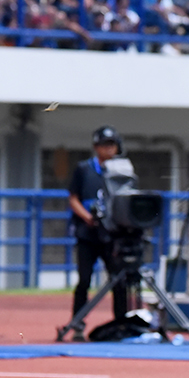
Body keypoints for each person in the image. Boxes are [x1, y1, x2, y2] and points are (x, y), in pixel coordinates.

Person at [67, 126, 128, 341]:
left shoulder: (121, 170)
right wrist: (87, 217)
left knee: (119, 279)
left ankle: (122, 322)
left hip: (112, 234)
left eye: (112, 146)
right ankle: (77, 323)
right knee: (84, 280)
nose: (108, 150)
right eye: (104, 145)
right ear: (96, 147)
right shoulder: (84, 169)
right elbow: (73, 197)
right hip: (88, 233)